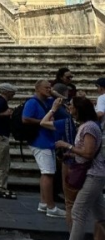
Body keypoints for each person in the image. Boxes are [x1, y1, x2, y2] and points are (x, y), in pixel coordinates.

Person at [53, 96, 105, 240]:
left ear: (78, 109)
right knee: (100, 214)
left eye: (71, 105)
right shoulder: (88, 125)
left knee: (78, 212)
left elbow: (88, 153)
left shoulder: (88, 127)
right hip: (94, 172)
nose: (69, 108)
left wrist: (68, 146)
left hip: (93, 174)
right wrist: (72, 153)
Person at [23, 79, 66, 217]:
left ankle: (44, 202)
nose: (49, 89)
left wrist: (54, 94)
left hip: (48, 140)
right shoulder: (32, 102)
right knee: (48, 173)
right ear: (38, 89)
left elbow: (64, 102)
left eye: (50, 87)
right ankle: (51, 207)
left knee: (46, 173)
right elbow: (25, 118)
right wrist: (43, 123)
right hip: (40, 141)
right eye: (47, 88)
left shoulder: (48, 101)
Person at [42, 98, 79, 230]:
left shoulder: (66, 122)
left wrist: (54, 108)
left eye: (70, 105)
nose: (68, 106)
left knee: (70, 201)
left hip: (70, 161)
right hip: (85, 163)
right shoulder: (91, 124)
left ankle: (73, 234)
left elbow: (43, 122)